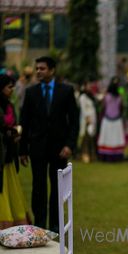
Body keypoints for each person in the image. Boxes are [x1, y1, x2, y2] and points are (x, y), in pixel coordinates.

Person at [19, 56, 79, 232]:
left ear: (52, 70)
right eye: (37, 68)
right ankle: (39, 224)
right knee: (38, 188)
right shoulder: (31, 93)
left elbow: (74, 121)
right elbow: (25, 122)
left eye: (42, 68)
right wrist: (23, 150)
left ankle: (55, 224)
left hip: (59, 149)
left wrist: (69, 145)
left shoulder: (66, 91)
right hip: (37, 148)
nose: (38, 71)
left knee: (57, 188)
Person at [0, 74, 31, 229]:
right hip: (1, 155)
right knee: (2, 191)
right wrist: (9, 133)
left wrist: (16, 134)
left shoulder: (10, 106)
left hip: (9, 157)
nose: (12, 89)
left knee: (11, 190)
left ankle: (15, 228)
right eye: (9, 87)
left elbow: (15, 123)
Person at [97, 77, 126, 161]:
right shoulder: (119, 97)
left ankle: (106, 156)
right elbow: (122, 108)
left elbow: (102, 107)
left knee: (108, 139)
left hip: (108, 119)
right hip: (115, 120)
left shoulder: (107, 96)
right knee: (115, 138)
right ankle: (116, 156)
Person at [78, 80, 97, 163]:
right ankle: (84, 155)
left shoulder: (90, 96)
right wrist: (87, 118)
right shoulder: (82, 97)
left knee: (91, 138)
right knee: (85, 138)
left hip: (92, 120)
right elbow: (83, 109)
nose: (90, 87)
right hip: (87, 120)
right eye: (88, 86)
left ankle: (91, 155)